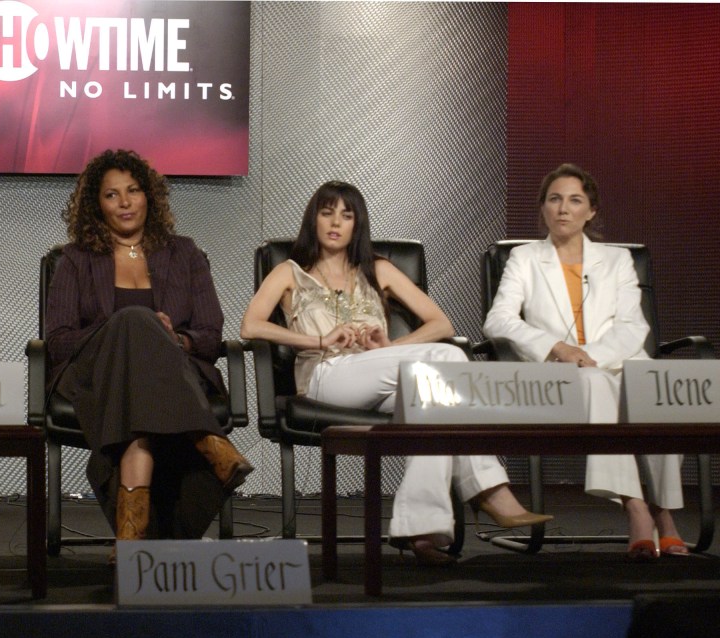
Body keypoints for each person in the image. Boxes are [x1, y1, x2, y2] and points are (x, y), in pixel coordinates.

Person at [240, 181, 551, 565]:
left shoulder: (379, 270)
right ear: (313, 220)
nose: (336, 223)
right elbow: (251, 327)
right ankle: (488, 489)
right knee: (450, 362)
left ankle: (419, 532)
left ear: (358, 224)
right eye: (327, 213)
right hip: (326, 375)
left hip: (375, 370)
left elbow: (440, 322)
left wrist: (390, 349)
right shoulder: (289, 272)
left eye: (346, 215)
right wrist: (318, 340)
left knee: (437, 403)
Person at [46, 149, 252, 551]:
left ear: (149, 196)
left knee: (136, 405)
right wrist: (119, 327)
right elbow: (58, 341)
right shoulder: (75, 260)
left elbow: (210, 336)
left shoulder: (186, 254)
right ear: (95, 205)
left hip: (169, 375)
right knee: (135, 320)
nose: (124, 202)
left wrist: (174, 340)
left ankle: (131, 537)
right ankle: (204, 438)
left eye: (133, 190)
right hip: (91, 378)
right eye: (111, 195)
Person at [483, 163, 686, 561]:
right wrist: (557, 348)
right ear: (543, 208)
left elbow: (633, 325)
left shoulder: (616, 261)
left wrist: (592, 357)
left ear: (590, 211)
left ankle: (665, 514)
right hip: (557, 378)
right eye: (554, 199)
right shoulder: (524, 259)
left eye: (575, 200)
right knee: (593, 384)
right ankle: (638, 509)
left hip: (615, 366)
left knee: (657, 389)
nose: (563, 209)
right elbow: (498, 320)